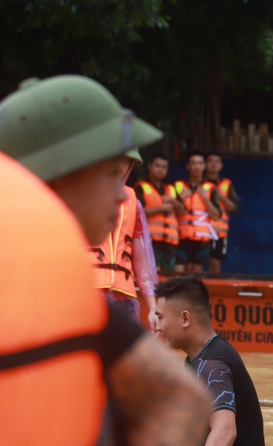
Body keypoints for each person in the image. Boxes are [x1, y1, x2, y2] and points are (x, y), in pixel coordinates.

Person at [0, 75, 210, 445]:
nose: (122, 194)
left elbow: (182, 397)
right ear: (55, 177)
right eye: (112, 174)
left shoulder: (68, 294)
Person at [155, 275, 266, 446]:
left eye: (161, 317)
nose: (158, 326)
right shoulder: (198, 358)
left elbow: (225, 432)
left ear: (185, 319)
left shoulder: (211, 365)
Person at [91, 148, 160, 331]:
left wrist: (153, 307)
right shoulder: (84, 195)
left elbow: (141, 259)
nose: (120, 165)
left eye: (126, 161)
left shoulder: (133, 203)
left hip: (123, 294)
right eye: (116, 159)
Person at [135, 153, 184, 273]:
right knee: (153, 272)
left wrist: (174, 201)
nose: (160, 169)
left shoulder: (171, 188)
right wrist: (161, 208)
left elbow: (182, 211)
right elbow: (137, 212)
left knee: (169, 275)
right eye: (157, 166)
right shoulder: (141, 187)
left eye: (164, 167)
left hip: (170, 239)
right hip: (151, 239)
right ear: (150, 167)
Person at [174, 151, 221, 273]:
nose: (197, 166)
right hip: (181, 235)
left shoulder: (211, 188)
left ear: (204, 166)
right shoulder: (178, 186)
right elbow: (170, 211)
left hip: (202, 238)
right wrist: (181, 198)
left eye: (200, 163)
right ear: (188, 166)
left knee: (197, 273)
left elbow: (216, 215)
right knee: (179, 270)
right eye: (193, 163)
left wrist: (205, 198)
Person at [205, 151, 240, 274]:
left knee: (215, 262)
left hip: (219, 231)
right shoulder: (200, 184)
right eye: (210, 161)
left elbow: (235, 208)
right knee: (198, 264)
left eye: (217, 161)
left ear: (221, 166)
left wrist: (222, 197)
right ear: (205, 164)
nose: (213, 164)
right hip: (200, 229)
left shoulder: (226, 185)